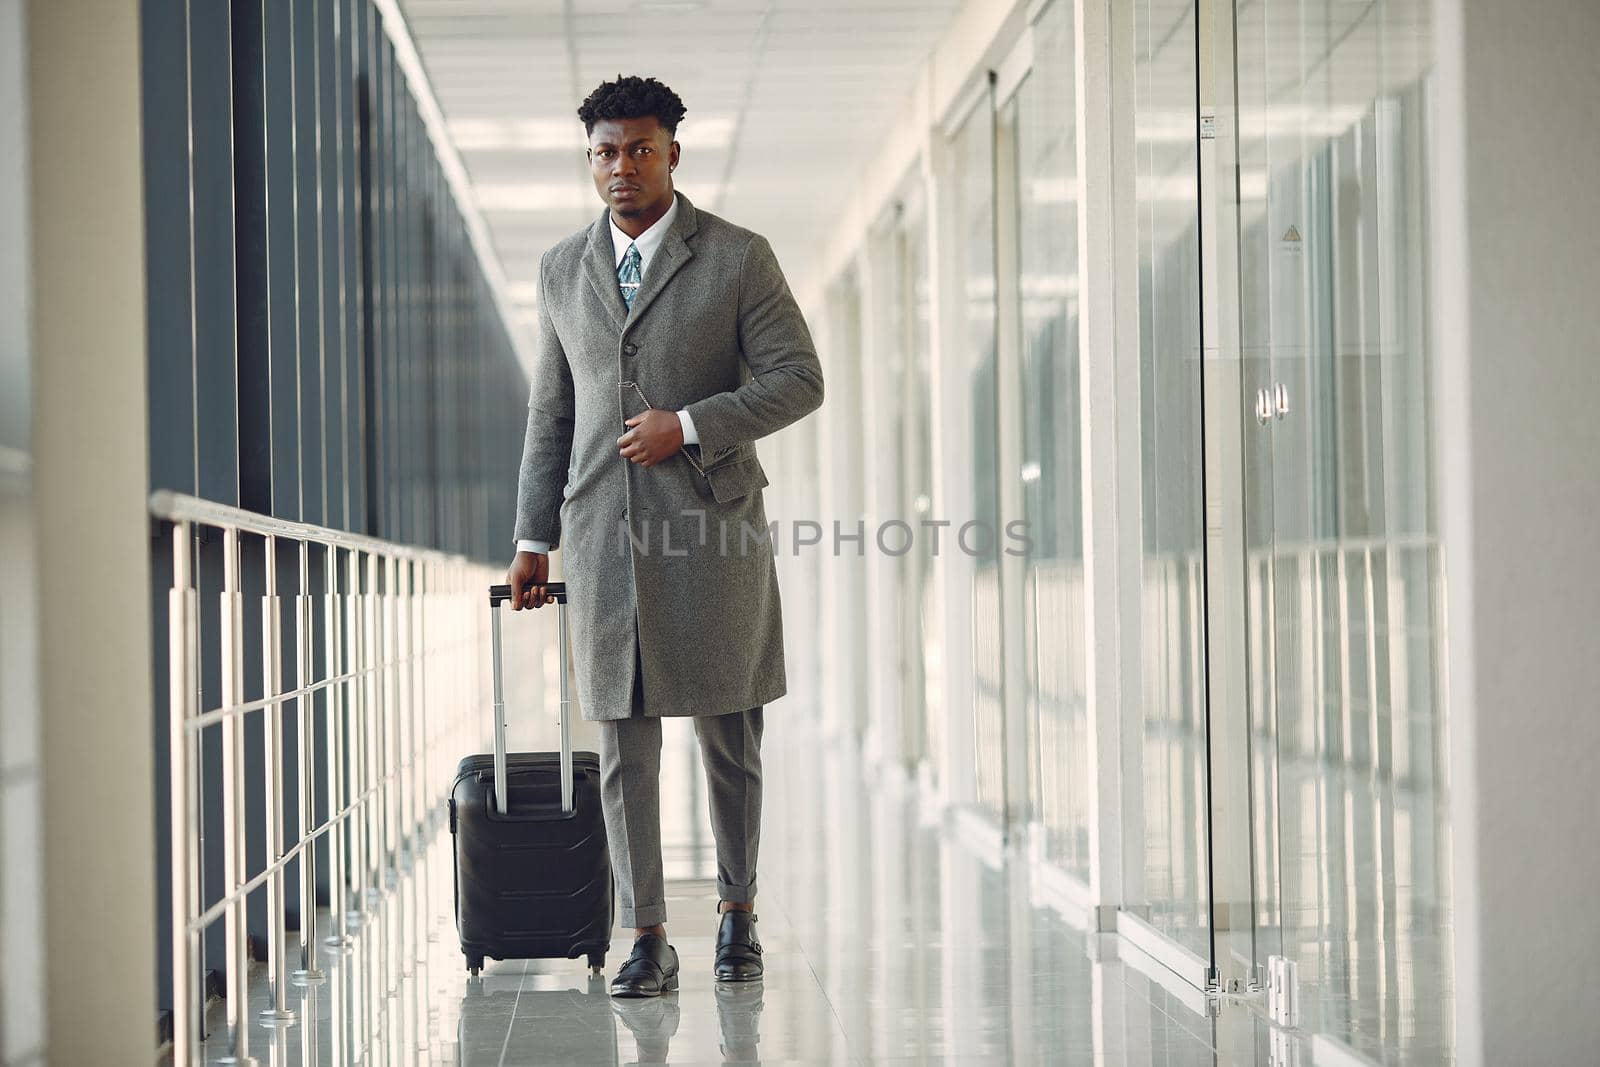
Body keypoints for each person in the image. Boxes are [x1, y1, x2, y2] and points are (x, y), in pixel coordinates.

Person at [505, 74, 823, 999]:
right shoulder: (562, 270)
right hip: (603, 536)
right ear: (590, 158)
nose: (621, 167)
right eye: (605, 151)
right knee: (622, 747)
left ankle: (737, 915)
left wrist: (687, 423)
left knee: (731, 734)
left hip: (712, 533)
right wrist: (532, 536)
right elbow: (550, 415)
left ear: (673, 153)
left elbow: (799, 378)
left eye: (640, 149)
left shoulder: (737, 256)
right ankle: (646, 931)